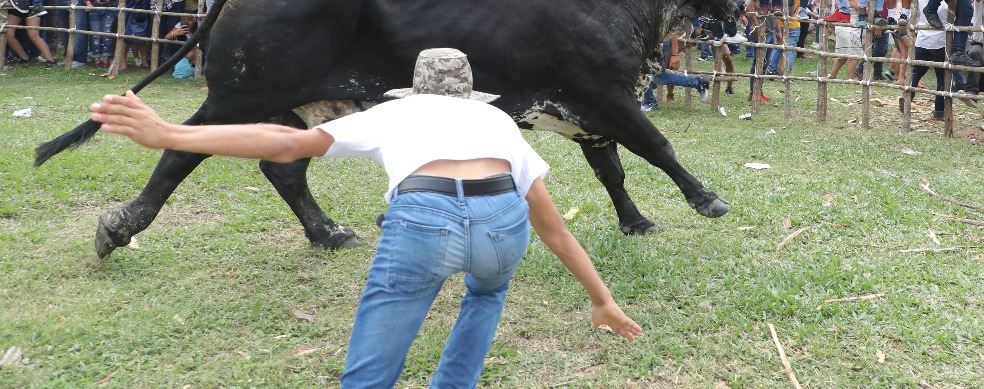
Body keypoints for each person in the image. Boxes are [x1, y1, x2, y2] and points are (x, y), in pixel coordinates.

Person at [87, 49, 641, 387]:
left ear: (416, 87)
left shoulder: (394, 111)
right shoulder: (499, 124)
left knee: (371, 374)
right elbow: (553, 228)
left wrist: (171, 134)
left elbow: (286, 144)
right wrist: (602, 299)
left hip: (424, 218)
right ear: (472, 93)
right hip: (501, 224)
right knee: (487, 295)